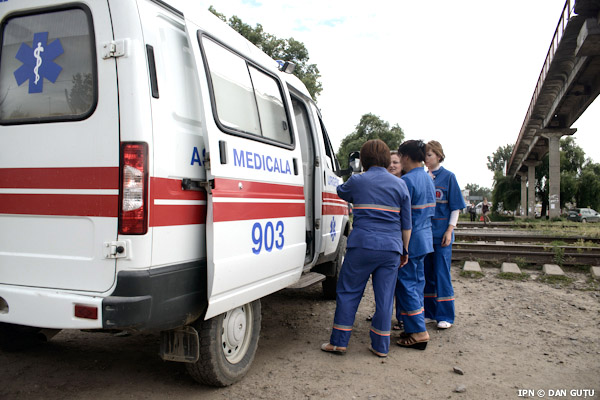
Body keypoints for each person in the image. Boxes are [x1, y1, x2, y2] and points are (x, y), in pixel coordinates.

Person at [321, 139, 412, 357]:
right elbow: (407, 225)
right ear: (386, 159)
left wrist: (357, 175)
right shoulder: (401, 185)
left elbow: (341, 191)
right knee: (385, 298)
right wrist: (405, 250)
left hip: (362, 246)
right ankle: (380, 346)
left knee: (349, 292)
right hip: (391, 248)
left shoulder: (358, 180)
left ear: (363, 159)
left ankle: (339, 342)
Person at [395, 140, 436, 350]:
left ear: (406, 157)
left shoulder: (407, 181)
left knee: (406, 285)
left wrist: (402, 246)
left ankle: (419, 332)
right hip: (425, 238)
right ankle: (413, 327)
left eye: (400, 156)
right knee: (417, 285)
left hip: (411, 240)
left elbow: (403, 216)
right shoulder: (428, 178)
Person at [423, 140, 465, 330]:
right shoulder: (422, 177)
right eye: (424, 155)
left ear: (438, 156)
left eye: (429, 155)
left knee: (442, 274)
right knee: (427, 274)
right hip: (425, 235)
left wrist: (449, 230)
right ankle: (429, 312)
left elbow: (455, 207)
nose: (426, 158)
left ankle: (446, 315)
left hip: (442, 235)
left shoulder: (449, 177)